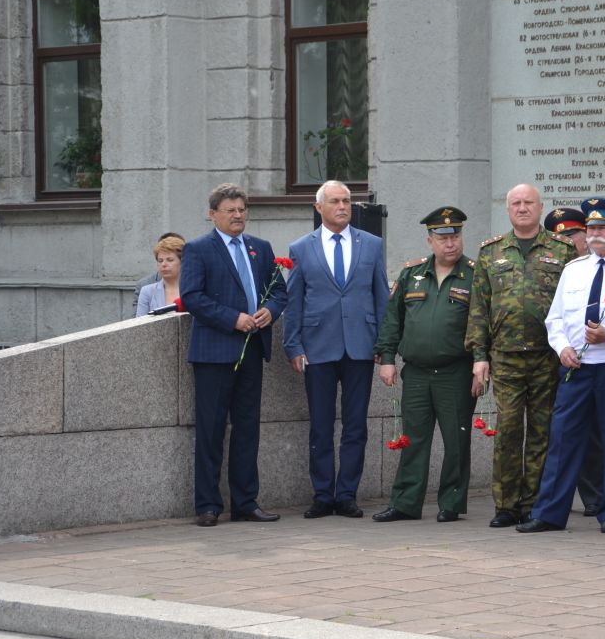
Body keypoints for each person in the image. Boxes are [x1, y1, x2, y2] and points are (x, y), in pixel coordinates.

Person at [517, 197, 605, 534]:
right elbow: (555, 319)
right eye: (591, 228)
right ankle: (549, 512)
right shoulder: (573, 269)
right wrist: (563, 347)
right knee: (563, 439)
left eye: (602, 228)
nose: (595, 234)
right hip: (575, 369)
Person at [465, 184, 576, 527]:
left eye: (529, 202)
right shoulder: (490, 253)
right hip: (506, 358)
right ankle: (506, 505)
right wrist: (479, 356)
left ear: (541, 207)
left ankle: (535, 503)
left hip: (548, 357)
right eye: (516, 203)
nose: (523, 208)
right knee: (509, 430)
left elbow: (573, 304)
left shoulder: (563, 251)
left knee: (543, 432)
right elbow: (479, 308)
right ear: (508, 209)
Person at [180, 183, 287, 527]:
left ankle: (245, 502)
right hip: (214, 353)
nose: (238, 215)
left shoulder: (261, 248)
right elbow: (192, 297)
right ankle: (208, 505)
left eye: (242, 209)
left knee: (247, 428)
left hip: (252, 350)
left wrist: (269, 311)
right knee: (211, 430)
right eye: (231, 210)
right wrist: (233, 319)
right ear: (213, 214)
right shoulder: (198, 249)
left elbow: (279, 290)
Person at [282, 181, 389, 520]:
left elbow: (381, 297)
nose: (343, 206)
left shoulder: (371, 245)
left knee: (356, 425)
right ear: (319, 208)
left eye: (346, 201)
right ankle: (322, 494)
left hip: (360, 346)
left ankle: (347, 495)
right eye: (335, 201)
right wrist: (293, 344)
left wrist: (385, 347)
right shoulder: (301, 248)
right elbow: (294, 300)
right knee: (321, 425)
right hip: (318, 347)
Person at [374, 207, 481, 523]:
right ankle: (406, 503)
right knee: (413, 440)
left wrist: (480, 364)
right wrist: (388, 359)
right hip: (417, 373)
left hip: (456, 372)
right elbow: (393, 320)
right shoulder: (412, 274)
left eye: (456, 236)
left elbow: (483, 325)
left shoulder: (475, 275)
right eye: (443, 237)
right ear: (430, 240)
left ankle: (451, 503)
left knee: (456, 440)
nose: (450, 243)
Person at [544, 207, 603, 517]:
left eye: (571, 234)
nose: (565, 241)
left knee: (590, 431)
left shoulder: (593, 268)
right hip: (545, 355)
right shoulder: (549, 266)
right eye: (558, 236)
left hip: (583, 360)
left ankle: (593, 494)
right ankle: (550, 496)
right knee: (555, 431)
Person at [132, 232, 185, 314]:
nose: (163, 264)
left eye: (170, 260)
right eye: (160, 261)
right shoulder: (147, 291)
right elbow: (140, 324)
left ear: (182, 261)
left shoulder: (196, 288)